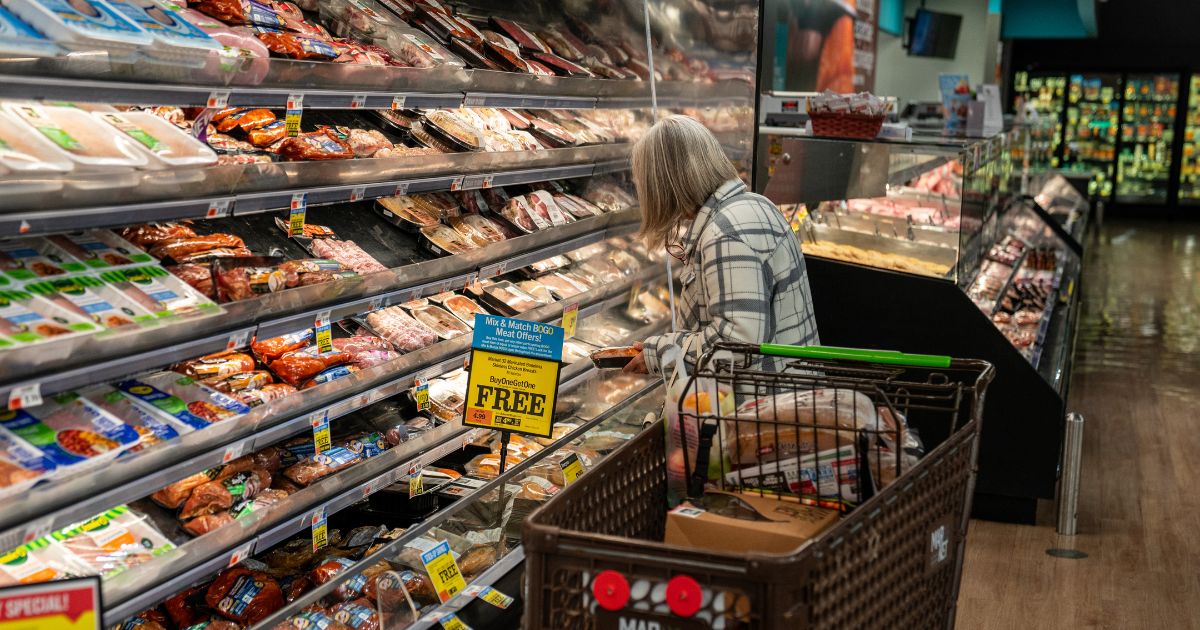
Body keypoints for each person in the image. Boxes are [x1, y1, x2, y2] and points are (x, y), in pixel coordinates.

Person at [623, 115, 819, 375]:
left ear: (665, 184)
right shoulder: (754, 204)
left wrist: (660, 353)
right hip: (788, 391)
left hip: (760, 405)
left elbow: (737, 345)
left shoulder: (726, 234)